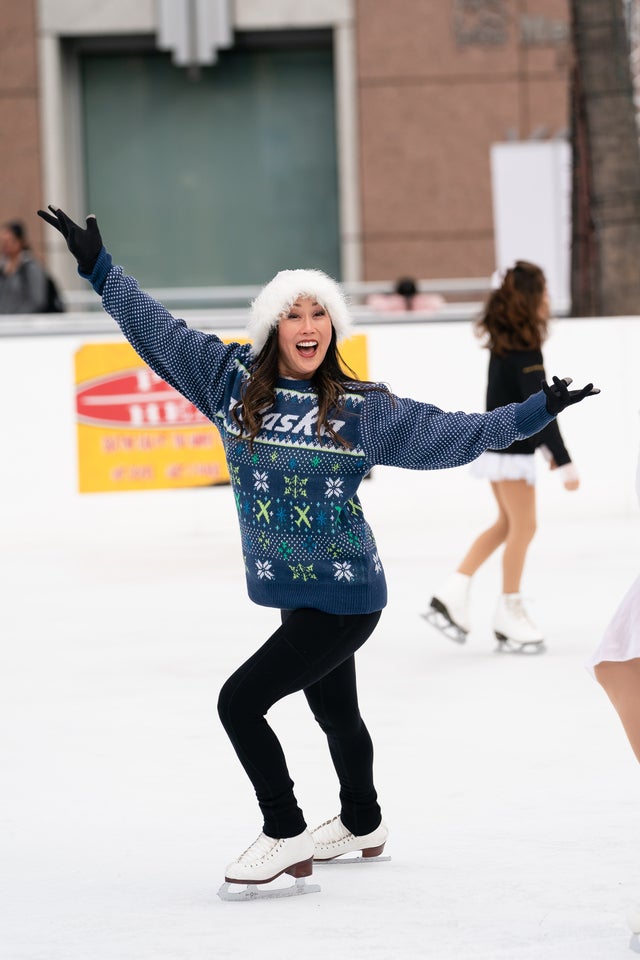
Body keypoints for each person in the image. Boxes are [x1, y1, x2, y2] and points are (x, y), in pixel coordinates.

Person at [37, 206, 598, 898]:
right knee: (334, 712)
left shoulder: (356, 407)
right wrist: (100, 270)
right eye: (293, 314)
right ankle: (363, 822)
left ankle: (285, 833)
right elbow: (159, 335)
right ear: (272, 326)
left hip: (344, 593)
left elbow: (449, 434)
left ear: (333, 326)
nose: (308, 326)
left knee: (239, 704)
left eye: (319, 314)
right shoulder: (228, 383)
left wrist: (534, 412)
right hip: (297, 587)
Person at [425, 261, 583, 653]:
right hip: (510, 450)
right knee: (524, 527)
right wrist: (562, 459)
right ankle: (509, 612)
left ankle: (452, 591)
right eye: (543, 291)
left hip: (501, 446)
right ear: (531, 298)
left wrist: (547, 449)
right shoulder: (524, 348)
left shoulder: (507, 343)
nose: (547, 298)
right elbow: (545, 407)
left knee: (506, 525)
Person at [0, 220, 49, 314]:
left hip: (23, 324)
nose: (5, 245)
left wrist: (17, 317)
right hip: (4, 324)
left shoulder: (31, 268)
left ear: (19, 242)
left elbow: (37, 300)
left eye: (8, 241)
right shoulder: (2, 266)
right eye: (3, 242)